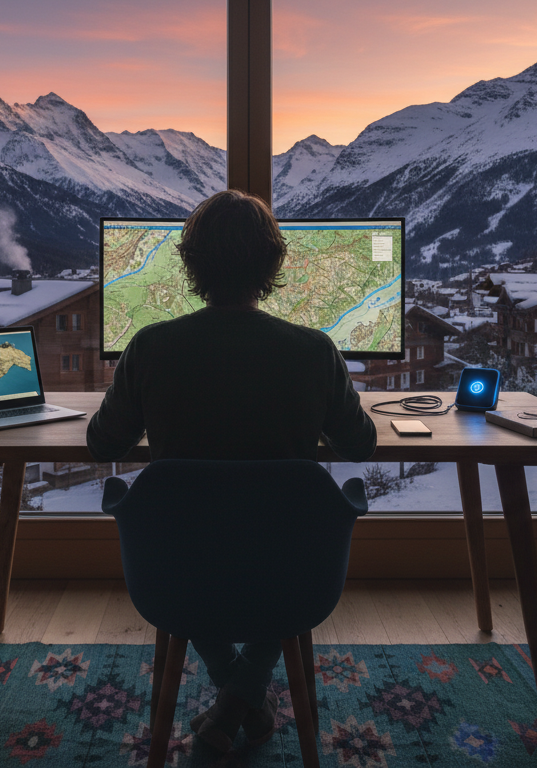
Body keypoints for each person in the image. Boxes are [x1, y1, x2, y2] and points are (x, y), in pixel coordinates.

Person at [87, 189, 377, 753]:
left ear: (192, 265)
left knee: (200, 553)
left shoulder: (150, 347)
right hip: (294, 574)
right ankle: (245, 694)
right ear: (272, 267)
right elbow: (361, 446)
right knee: (275, 559)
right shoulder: (314, 351)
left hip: (176, 570)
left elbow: (104, 444)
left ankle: (232, 695)